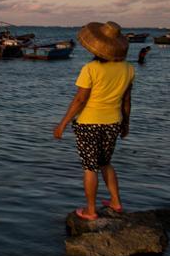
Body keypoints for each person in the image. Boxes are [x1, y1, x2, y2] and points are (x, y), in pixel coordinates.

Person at [54, 21, 134, 220]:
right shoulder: (128, 69)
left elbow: (81, 99)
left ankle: (91, 210)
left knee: (90, 167)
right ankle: (115, 201)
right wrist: (126, 124)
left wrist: (62, 123)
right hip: (113, 122)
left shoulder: (90, 68)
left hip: (88, 123)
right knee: (106, 163)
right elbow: (127, 100)